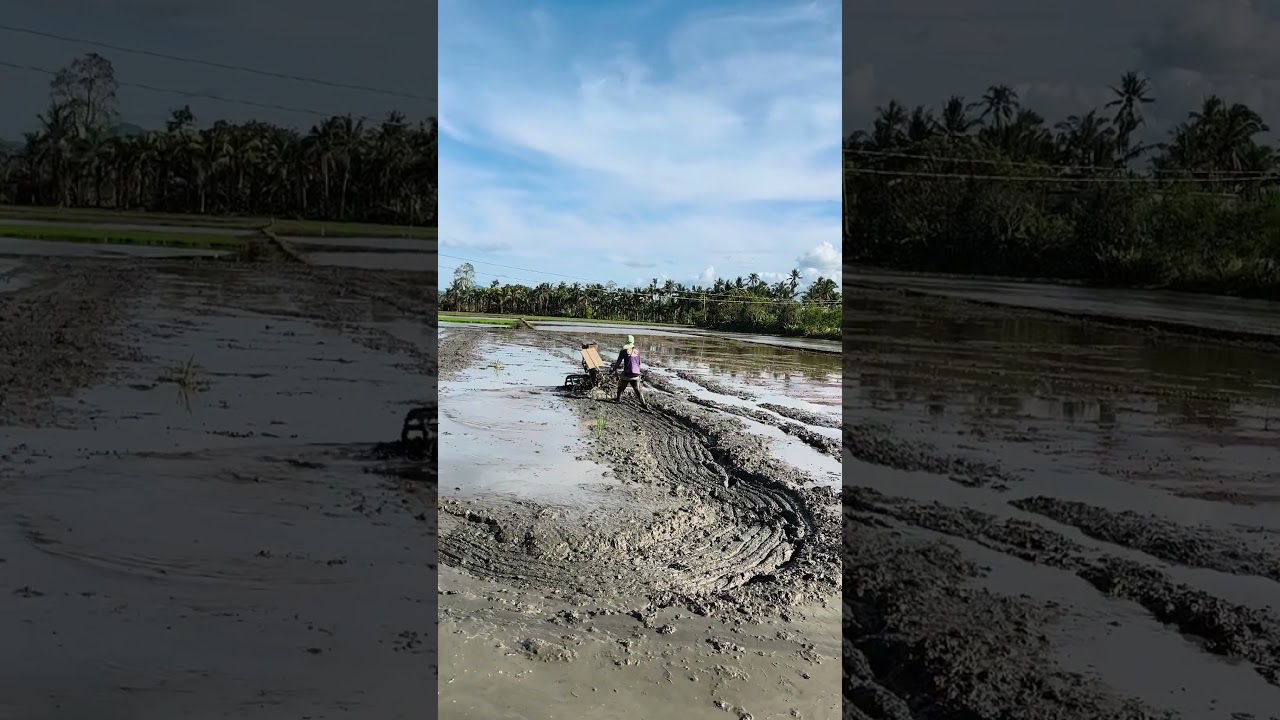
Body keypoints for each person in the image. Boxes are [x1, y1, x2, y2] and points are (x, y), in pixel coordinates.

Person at [610, 335, 648, 407]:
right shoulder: (637, 351)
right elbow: (639, 363)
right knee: (637, 389)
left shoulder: (623, 351)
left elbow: (618, 363)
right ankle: (643, 403)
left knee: (621, 387)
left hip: (627, 374)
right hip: (636, 374)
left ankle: (618, 400)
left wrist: (613, 370)